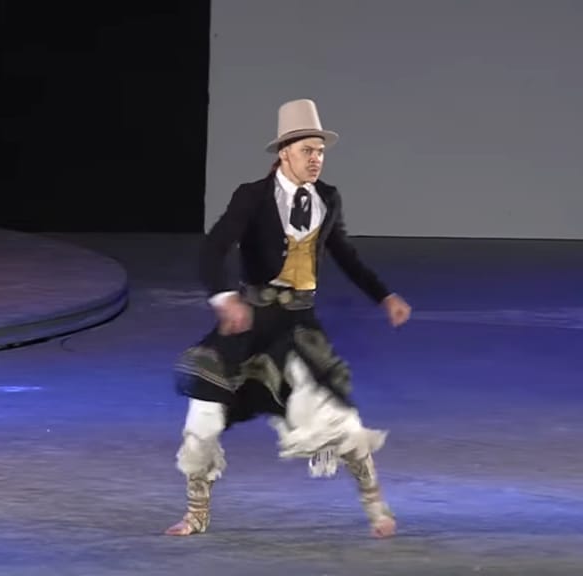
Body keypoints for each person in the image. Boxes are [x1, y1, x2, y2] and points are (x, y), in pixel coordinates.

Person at [166, 98, 412, 539]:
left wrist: (384, 295)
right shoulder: (252, 197)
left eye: (320, 152)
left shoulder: (327, 199)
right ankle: (196, 512)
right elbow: (213, 249)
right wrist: (225, 297)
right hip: (249, 325)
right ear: (285, 153)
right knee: (203, 417)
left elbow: (345, 255)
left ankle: (376, 506)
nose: (315, 159)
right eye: (306, 151)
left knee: (337, 421)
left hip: (298, 330)